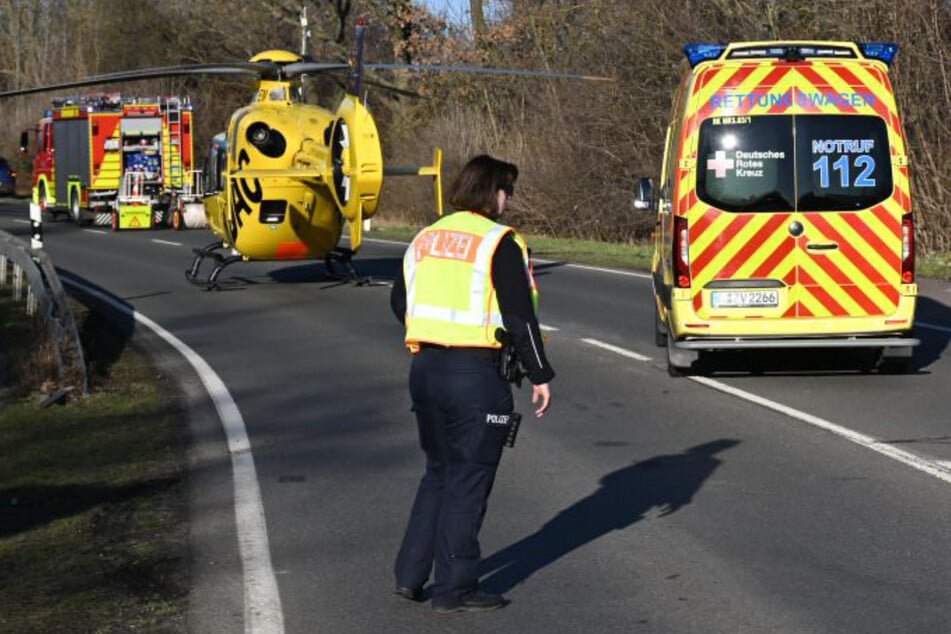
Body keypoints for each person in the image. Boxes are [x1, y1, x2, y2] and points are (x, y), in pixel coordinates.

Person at [390, 154, 555, 613]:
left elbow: (400, 300)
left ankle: (409, 575)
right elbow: (520, 315)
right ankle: (455, 588)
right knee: (469, 477)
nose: (510, 200)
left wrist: (434, 333)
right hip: (474, 374)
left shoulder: (425, 237)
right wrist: (540, 374)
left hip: (425, 369)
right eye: (508, 190)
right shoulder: (499, 241)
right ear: (492, 191)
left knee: (439, 472)